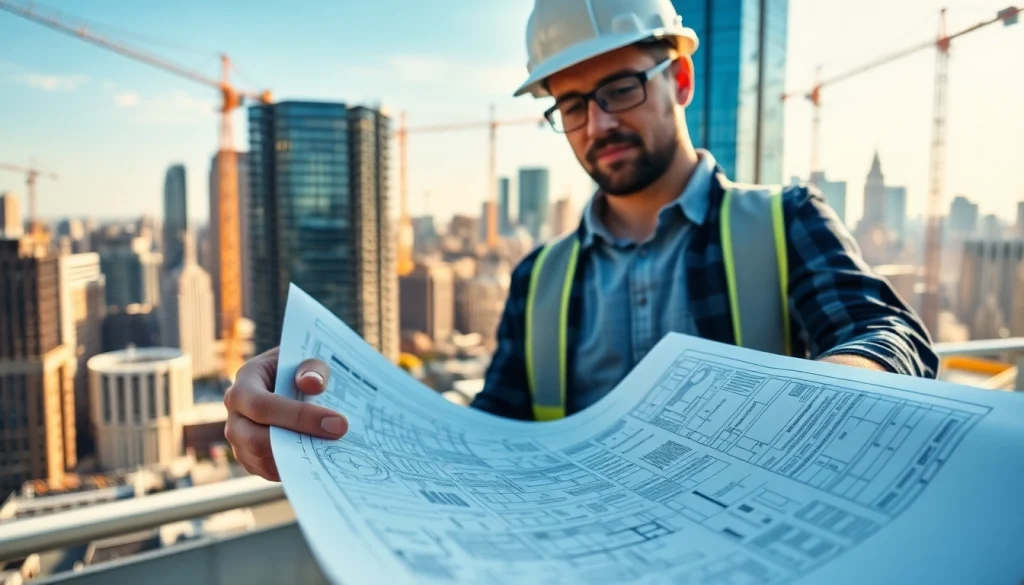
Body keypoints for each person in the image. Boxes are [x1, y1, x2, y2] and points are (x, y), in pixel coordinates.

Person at [224, 0, 937, 481]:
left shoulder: (784, 221)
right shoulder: (539, 280)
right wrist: (321, 424)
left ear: (680, 79)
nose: (596, 124)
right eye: (570, 104)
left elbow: (891, 340)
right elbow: (483, 447)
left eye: (620, 88)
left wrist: (807, 401)